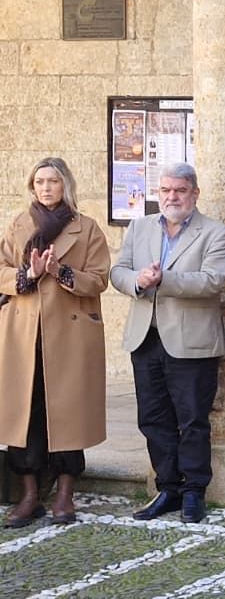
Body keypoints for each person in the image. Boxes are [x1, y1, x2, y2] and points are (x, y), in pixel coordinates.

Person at [110, 163, 225, 524]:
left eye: (179, 190)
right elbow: (118, 271)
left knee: (193, 419)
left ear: (194, 193)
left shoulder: (216, 233)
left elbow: (212, 282)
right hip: (145, 336)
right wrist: (138, 279)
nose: (171, 197)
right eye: (165, 190)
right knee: (153, 418)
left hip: (190, 340)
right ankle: (168, 487)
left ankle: (195, 491)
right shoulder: (140, 226)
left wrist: (163, 280)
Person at [0, 157, 111, 527]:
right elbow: (0, 269)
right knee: (24, 412)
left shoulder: (87, 228)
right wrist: (27, 273)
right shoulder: (18, 225)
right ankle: (29, 494)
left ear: (66, 186)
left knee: (67, 411)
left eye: (53, 182)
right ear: (32, 186)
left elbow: (98, 279)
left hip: (69, 334)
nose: (46, 188)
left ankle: (65, 492)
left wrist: (60, 272)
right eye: (40, 182)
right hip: (23, 332)